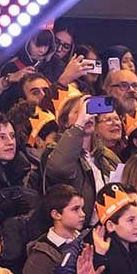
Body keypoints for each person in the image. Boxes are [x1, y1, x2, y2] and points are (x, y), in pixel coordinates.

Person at [44, 95, 120, 223]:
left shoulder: (106, 155)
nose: (87, 115)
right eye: (78, 112)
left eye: (89, 111)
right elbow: (59, 169)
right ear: (65, 122)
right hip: (78, 230)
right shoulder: (54, 150)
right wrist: (79, 125)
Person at [23, 185, 85, 274]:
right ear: (56, 214)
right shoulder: (39, 258)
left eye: (82, 208)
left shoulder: (88, 241)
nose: (82, 214)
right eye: (75, 209)